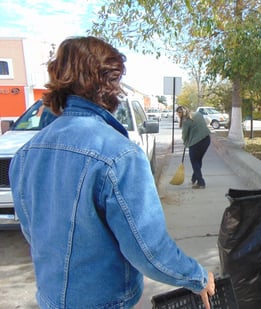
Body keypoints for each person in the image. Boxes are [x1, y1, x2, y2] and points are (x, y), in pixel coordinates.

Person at [9, 36, 215, 309]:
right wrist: (197, 276)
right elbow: (148, 250)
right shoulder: (120, 155)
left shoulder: (25, 154)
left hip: (49, 298)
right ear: (108, 82)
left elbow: (33, 232)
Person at [176, 106, 211, 189]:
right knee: (198, 161)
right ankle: (194, 179)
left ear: (181, 113)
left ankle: (201, 183)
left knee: (195, 162)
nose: (178, 115)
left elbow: (184, 134)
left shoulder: (186, 121)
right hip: (206, 140)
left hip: (195, 143)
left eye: (178, 114)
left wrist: (185, 142)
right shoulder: (198, 114)